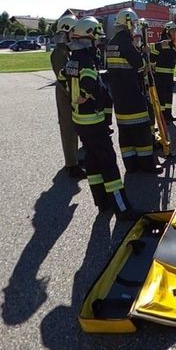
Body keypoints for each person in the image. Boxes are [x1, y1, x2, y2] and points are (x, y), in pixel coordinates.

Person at [64, 17, 130, 215]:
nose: (98, 43)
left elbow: (62, 76)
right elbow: (90, 84)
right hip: (93, 120)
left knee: (92, 160)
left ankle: (102, 203)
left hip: (80, 121)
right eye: (96, 38)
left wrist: (74, 95)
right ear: (88, 38)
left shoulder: (72, 59)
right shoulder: (85, 60)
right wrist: (84, 95)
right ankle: (122, 208)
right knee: (108, 162)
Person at [103, 8, 157, 173]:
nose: (135, 27)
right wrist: (144, 53)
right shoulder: (126, 43)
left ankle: (131, 165)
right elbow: (139, 65)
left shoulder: (111, 43)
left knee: (125, 134)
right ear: (127, 24)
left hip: (119, 98)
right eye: (133, 24)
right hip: (133, 95)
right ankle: (147, 165)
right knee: (141, 131)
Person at [49, 14, 85, 180]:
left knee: (76, 127)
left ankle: (75, 159)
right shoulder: (59, 53)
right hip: (66, 94)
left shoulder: (69, 50)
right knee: (68, 129)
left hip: (73, 92)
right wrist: (73, 96)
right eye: (73, 31)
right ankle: (71, 165)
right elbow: (64, 78)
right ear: (66, 32)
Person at [149, 21, 176, 122]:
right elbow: (152, 52)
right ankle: (162, 117)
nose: (175, 33)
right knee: (162, 96)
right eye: (173, 31)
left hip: (170, 74)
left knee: (169, 96)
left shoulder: (172, 44)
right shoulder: (162, 42)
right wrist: (153, 66)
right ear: (167, 31)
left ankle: (168, 115)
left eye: (175, 31)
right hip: (161, 75)